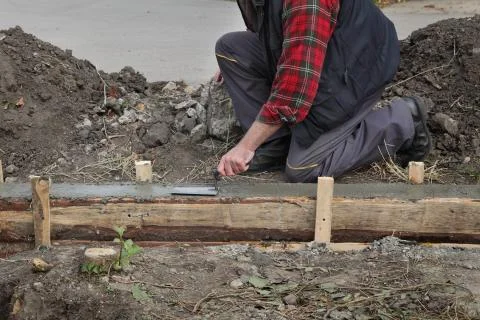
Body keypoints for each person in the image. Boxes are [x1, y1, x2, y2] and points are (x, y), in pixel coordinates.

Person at [215, 0, 431, 182]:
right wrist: (247, 61)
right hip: (319, 48)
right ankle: (277, 144)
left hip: (359, 63)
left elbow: (293, 94)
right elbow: (265, 22)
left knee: (302, 169)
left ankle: (404, 119)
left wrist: (245, 147)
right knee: (231, 50)